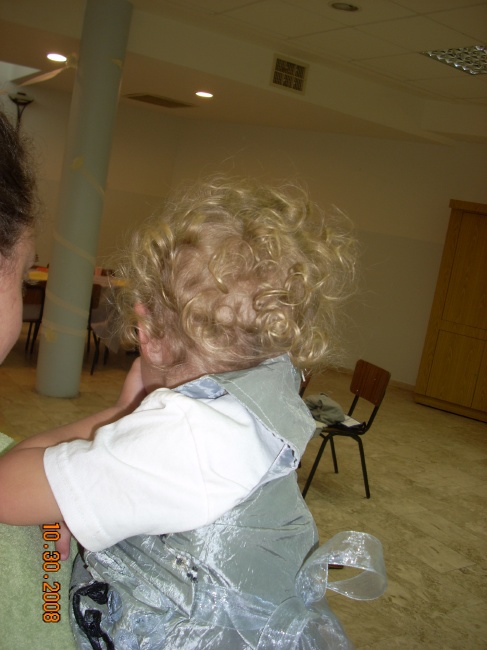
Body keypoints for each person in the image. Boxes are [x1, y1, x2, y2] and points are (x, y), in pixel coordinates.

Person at [1, 167, 385, 648]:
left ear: (147, 333)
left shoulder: (180, 434)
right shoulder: (268, 392)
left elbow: (8, 485)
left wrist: (120, 413)